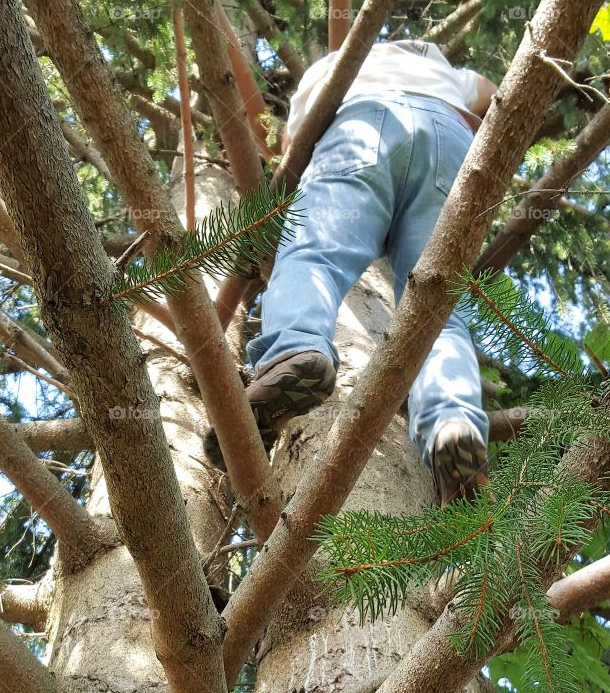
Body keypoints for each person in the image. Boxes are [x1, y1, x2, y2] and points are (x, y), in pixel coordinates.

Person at [212, 38, 497, 505]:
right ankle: (452, 422)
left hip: (363, 124)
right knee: (439, 305)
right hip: (451, 140)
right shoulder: (437, 66)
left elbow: (290, 147)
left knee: (313, 253)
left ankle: (295, 351)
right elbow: (490, 91)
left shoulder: (329, 69)